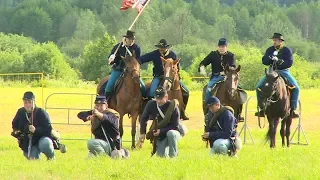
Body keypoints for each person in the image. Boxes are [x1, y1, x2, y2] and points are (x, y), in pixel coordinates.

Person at [139, 39, 189, 120]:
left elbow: (177, 67)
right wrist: (137, 60)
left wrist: (177, 76)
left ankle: (182, 111)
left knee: (186, 91)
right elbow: (143, 58)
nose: (161, 49)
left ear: (166, 47)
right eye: (160, 47)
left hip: (172, 78)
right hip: (159, 76)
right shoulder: (154, 54)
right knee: (152, 92)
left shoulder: (172, 55)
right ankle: (152, 112)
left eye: (162, 47)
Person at [255, 33, 300, 118]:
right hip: (272, 72)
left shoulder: (287, 50)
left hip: (284, 72)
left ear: (280, 41)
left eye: (275, 40)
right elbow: (264, 61)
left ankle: (293, 109)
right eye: (273, 40)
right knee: (258, 87)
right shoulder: (270, 50)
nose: (274, 42)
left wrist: (279, 60)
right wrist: (270, 58)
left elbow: (289, 63)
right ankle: (261, 108)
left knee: (296, 88)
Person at [198, 38, 244, 121]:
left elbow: (233, 66)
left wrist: (228, 71)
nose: (221, 48)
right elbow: (204, 62)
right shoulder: (213, 54)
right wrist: (202, 68)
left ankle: (239, 113)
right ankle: (207, 112)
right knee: (208, 89)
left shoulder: (231, 55)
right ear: (218, 47)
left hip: (229, 77)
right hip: (216, 77)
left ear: (226, 47)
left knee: (239, 90)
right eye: (220, 46)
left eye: (223, 46)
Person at [138, 87, 181, 158]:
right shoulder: (151, 104)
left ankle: (173, 156)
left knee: (171, 133)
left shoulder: (173, 107)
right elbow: (143, 118)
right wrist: (142, 132)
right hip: (161, 135)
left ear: (166, 97)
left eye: (160, 99)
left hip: (173, 132)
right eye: (156, 98)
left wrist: (161, 131)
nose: (158, 101)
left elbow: (175, 126)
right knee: (161, 156)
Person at [11, 91, 55, 160]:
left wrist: (36, 130)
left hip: (42, 138)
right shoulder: (20, 112)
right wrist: (19, 134)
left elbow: (48, 130)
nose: (28, 105)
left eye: (30, 102)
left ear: (34, 102)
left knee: (46, 143)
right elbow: (15, 126)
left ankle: (51, 158)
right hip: (29, 141)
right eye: (25, 103)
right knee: (32, 160)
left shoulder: (41, 112)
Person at [105, 30, 145, 100]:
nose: (131, 40)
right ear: (125, 39)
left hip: (131, 71)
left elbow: (138, 61)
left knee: (143, 87)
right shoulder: (118, 47)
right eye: (129, 39)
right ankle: (105, 102)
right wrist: (111, 58)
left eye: (132, 39)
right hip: (119, 69)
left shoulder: (136, 48)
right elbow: (111, 60)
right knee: (109, 85)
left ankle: (143, 102)